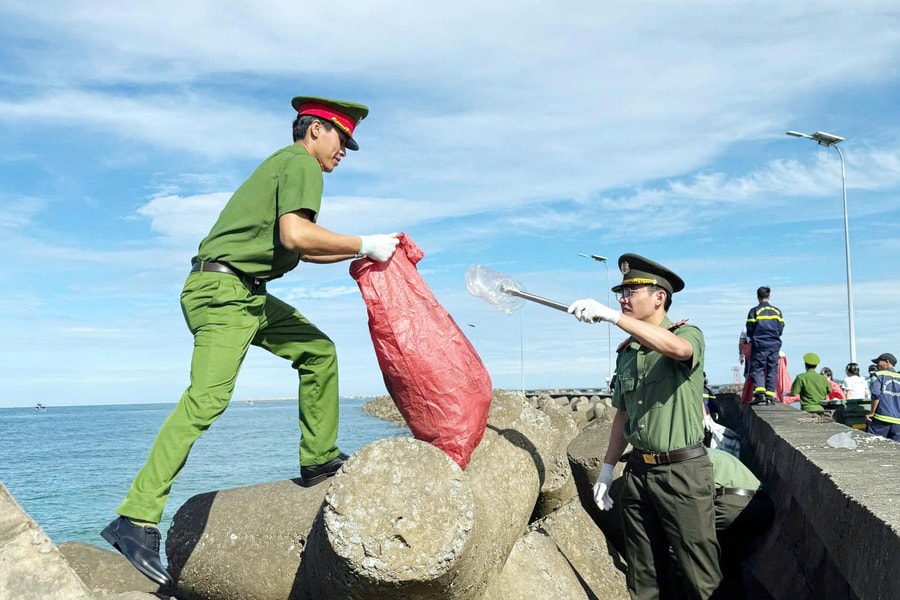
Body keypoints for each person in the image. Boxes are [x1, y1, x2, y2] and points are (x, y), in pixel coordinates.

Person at [100, 96, 401, 587]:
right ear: (316, 130)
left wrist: (362, 256)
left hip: (244, 292)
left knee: (318, 351)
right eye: (341, 139)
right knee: (206, 400)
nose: (344, 150)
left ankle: (318, 457)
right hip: (224, 293)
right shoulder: (302, 164)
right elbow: (297, 236)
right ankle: (135, 517)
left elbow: (295, 248)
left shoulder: (285, 166)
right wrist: (363, 242)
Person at [568, 253, 722, 599]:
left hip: (682, 471)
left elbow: (680, 350)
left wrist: (610, 317)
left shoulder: (686, 334)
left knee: (700, 577)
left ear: (659, 297)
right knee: (643, 576)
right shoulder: (627, 353)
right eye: (620, 294)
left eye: (631, 291)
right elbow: (622, 414)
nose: (622, 299)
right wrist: (607, 469)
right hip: (638, 472)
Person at [707, 449, 775, 600]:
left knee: (692, 546)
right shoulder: (711, 453)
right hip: (763, 505)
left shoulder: (685, 461)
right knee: (727, 558)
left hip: (734, 504)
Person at [746, 286, 785, 405]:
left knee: (757, 368)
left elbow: (750, 329)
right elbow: (780, 328)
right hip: (774, 344)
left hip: (759, 344)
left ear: (758, 296)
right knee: (772, 369)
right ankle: (769, 394)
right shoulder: (777, 311)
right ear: (769, 296)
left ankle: (760, 394)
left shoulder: (754, 311)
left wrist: (753, 338)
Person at [866, 353, 900, 441]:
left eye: (878, 362)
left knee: (874, 447)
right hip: (898, 422)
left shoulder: (878, 375)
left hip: (881, 419)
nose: (876, 365)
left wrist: (872, 412)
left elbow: (876, 395)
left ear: (887, 362)